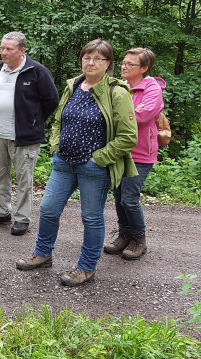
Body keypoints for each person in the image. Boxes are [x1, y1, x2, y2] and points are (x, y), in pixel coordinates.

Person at [16, 39, 138, 287]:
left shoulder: (117, 92)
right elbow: (59, 120)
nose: (90, 63)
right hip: (64, 162)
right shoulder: (73, 85)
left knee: (91, 218)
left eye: (98, 59)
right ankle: (43, 254)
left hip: (93, 167)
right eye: (86, 57)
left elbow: (128, 137)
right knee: (48, 209)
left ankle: (86, 267)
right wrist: (56, 146)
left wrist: (99, 158)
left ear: (108, 64)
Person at [0, 31, 59, 236]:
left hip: (24, 137)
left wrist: (34, 121)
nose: (3, 52)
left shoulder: (37, 71)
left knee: (24, 179)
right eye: (2, 48)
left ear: (22, 50)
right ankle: (0, 212)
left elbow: (52, 100)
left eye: (9, 49)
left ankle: (22, 218)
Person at [104, 48, 164, 260]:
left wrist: (112, 116)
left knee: (129, 198)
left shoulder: (152, 88)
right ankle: (125, 234)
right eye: (123, 62)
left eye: (130, 64)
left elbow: (143, 115)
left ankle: (139, 238)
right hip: (118, 150)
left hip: (140, 152)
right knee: (119, 196)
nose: (124, 66)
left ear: (144, 68)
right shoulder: (119, 86)